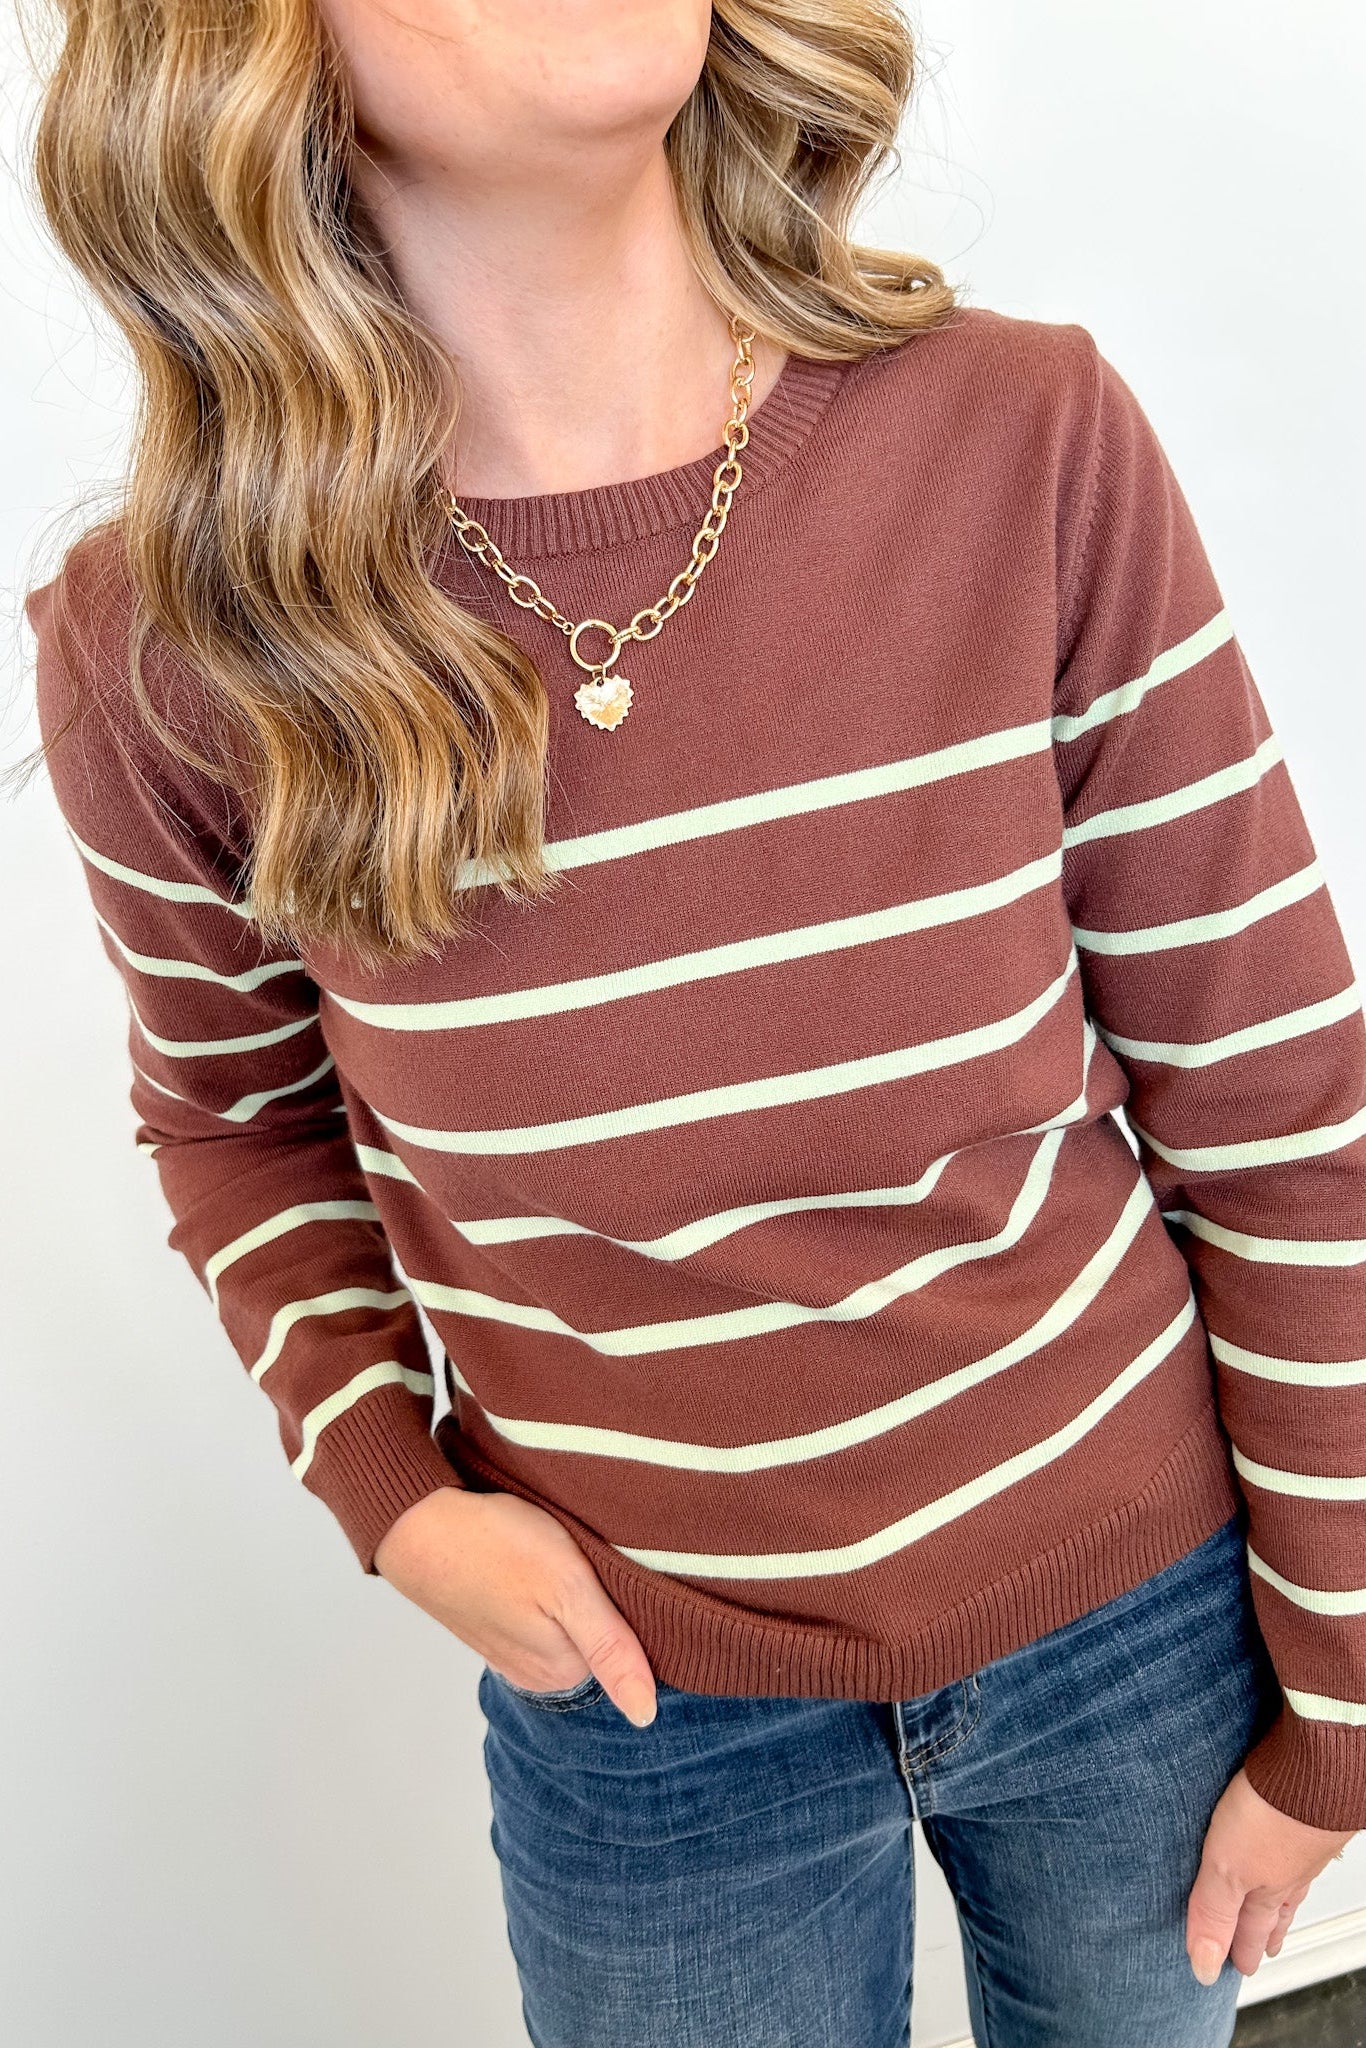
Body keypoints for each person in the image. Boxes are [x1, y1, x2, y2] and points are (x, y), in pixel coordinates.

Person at [16, 0, 1363, 2042]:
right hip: (643, 1709)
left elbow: (1274, 1103)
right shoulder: (173, 650)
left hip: (1134, 1625)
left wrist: (1338, 1693)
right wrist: (396, 1496)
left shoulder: (1018, 438)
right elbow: (238, 1125)